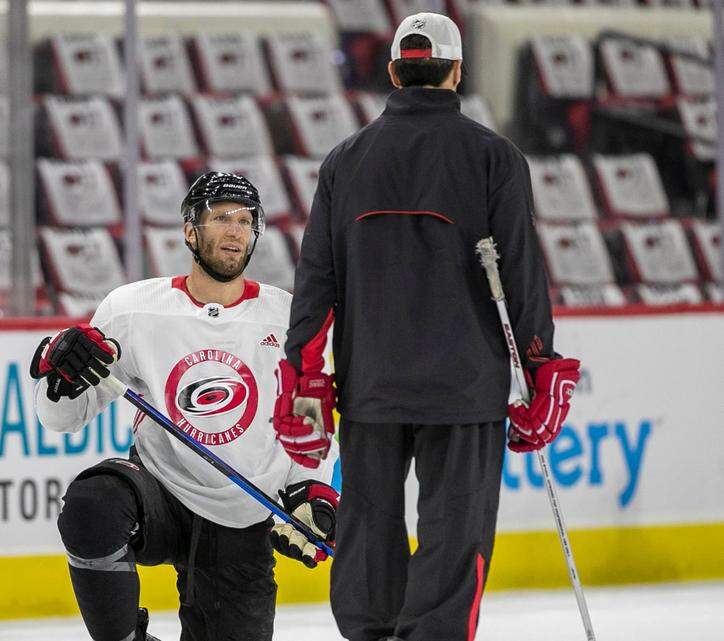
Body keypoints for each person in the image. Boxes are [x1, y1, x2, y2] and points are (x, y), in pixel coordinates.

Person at [271, 13, 582, 641]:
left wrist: (304, 375)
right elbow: (520, 276)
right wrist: (544, 369)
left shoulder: (343, 161)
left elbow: (315, 283)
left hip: (371, 387)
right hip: (464, 389)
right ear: (456, 71)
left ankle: (370, 634)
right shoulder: (495, 157)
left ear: (392, 71)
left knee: (367, 527)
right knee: (456, 533)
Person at [31, 172, 339, 641]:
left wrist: (311, 490)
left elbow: (309, 414)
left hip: (243, 511)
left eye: (245, 220)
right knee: (92, 505)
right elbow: (60, 419)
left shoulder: (288, 316)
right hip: (162, 492)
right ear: (190, 231)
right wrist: (61, 375)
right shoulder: (131, 308)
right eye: (220, 218)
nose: (235, 230)